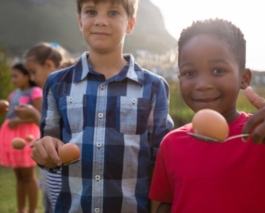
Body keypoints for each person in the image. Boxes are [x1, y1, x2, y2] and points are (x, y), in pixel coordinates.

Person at [149, 18, 265, 213]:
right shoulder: (171, 144)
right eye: (189, 73)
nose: (203, 83)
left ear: (244, 78)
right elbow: (165, 204)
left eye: (218, 70)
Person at [30, 0, 174, 213]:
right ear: (80, 21)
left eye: (113, 12)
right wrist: (45, 152)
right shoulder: (57, 83)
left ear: (130, 24)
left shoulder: (153, 87)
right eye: (91, 12)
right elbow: (49, 152)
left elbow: (159, 165)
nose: (100, 21)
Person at [15, 42, 74, 213]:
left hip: (62, 177)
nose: (32, 79)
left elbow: (63, 130)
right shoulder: (52, 91)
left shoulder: (67, 90)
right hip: (51, 175)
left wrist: (34, 115)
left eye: (33, 72)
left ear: (48, 65)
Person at [0, 63, 42, 213]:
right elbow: (9, 111)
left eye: (16, 76)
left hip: (26, 136)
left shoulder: (35, 92)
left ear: (27, 76)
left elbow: (40, 115)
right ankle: (21, 210)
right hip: (11, 134)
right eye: (12, 76)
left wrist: (19, 121)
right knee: (18, 175)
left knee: (28, 175)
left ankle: (32, 210)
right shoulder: (14, 94)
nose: (13, 79)